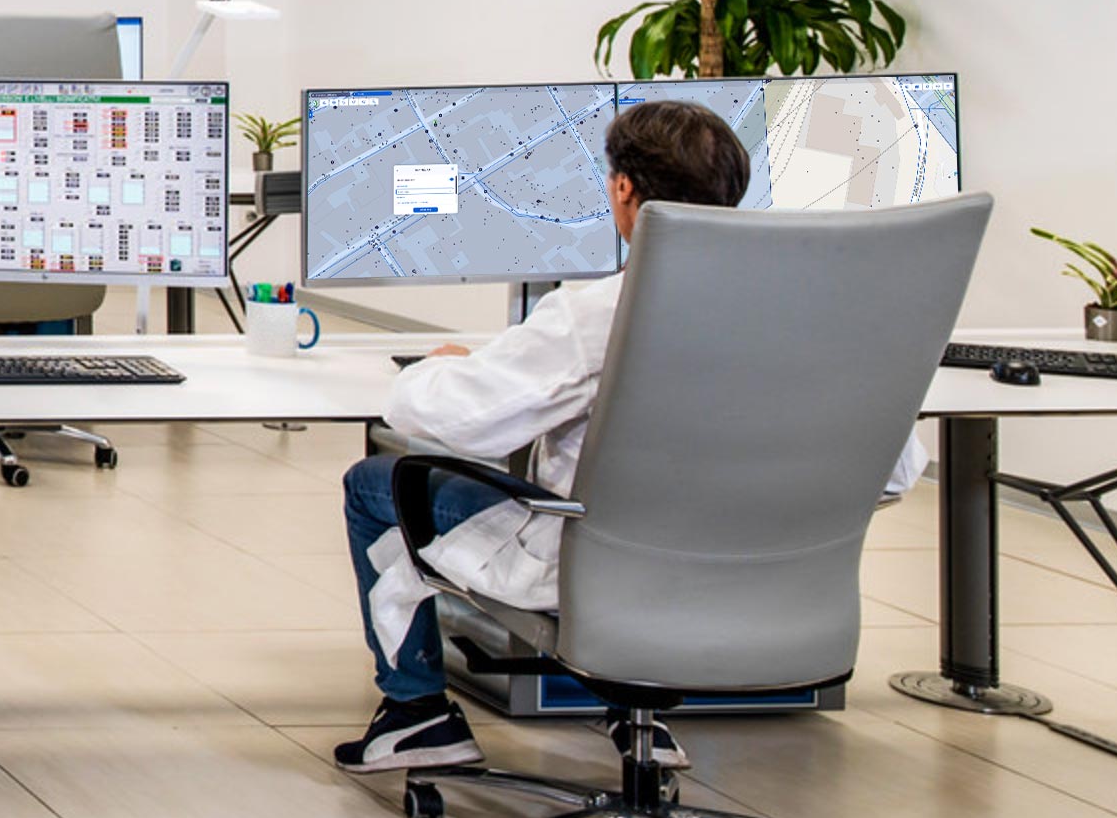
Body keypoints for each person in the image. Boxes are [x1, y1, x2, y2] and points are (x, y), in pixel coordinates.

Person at [332, 95, 922, 775]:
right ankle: (629, 714)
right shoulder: (818, 316)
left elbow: (462, 421)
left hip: (605, 568)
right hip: (766, 581)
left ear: (623, 189)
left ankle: (418, 716)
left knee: (374, 485)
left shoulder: (601, 312)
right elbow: (899, 470)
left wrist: (428, 374)